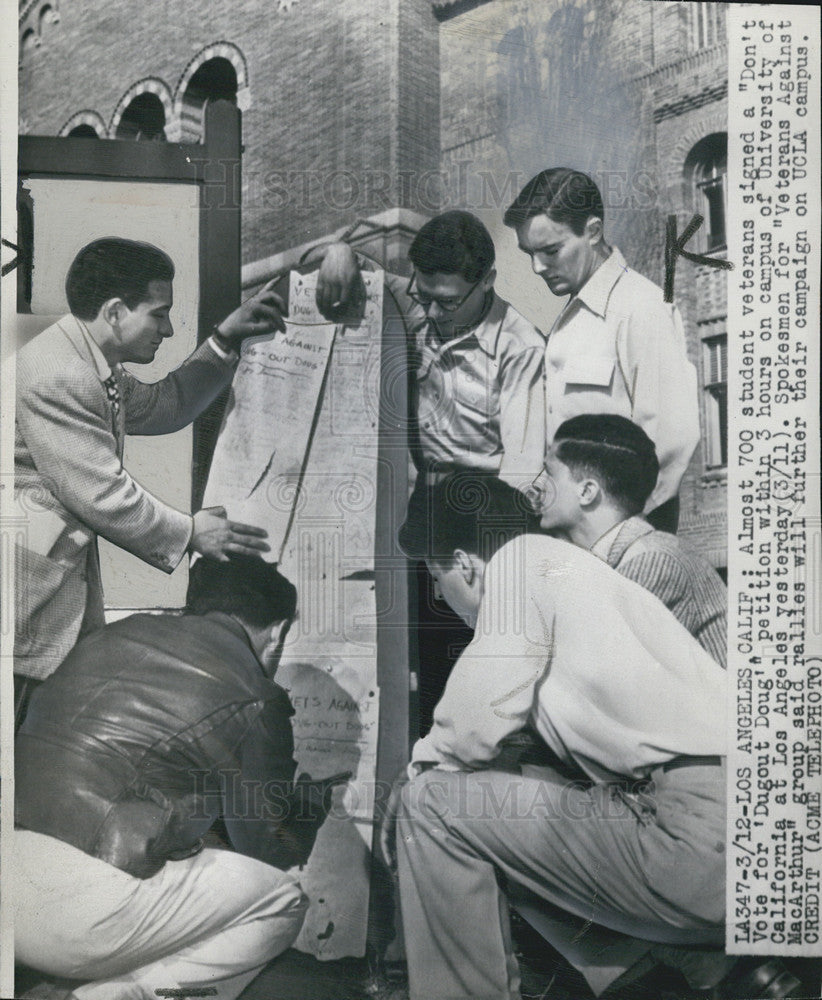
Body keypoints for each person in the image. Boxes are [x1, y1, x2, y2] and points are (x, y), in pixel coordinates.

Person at [389, 472, 737, 1000]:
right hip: (742, 836)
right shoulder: (579, 574)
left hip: (700, 840)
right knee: (507, 787)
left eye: (437, 579)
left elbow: (470, 728)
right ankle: (669, 968)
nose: (441, 595)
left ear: (464, 563)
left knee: (430, 803)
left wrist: (415, 769)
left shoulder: (521, 561)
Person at [14, 555, 347, 1000]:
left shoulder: (109, 636)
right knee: (283, 901)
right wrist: (309, 808)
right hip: (75, 922)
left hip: (9, 882)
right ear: (279, 632)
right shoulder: (255, 693)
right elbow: (267, 849)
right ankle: (116, 996)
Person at [14, 237, 284, 691]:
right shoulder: (58, 372)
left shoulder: (91, 366)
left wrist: (224, 339)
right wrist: (191, 532)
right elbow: (100, 494)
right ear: (116, 312)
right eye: (159, 314)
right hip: (23, 603)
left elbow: (166, 405)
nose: (168, 330)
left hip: (46, 593)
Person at [315, 211, 546, 730]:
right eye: (425, 297)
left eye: (448, 301)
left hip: (481, 518)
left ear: (487, 281)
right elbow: (340, 265)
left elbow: (522, 473)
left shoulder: (520, 347)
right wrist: (337, 250)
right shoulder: (420, 300)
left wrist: (487, 569)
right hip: (417, 509)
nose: (434, 313)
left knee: (466, 671)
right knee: (403, 664)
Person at [503, 168, 701, 533]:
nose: (537, 267)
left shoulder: (641, 308)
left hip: (625, 539)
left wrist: (625, 532)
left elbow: (672, 440)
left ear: (593, 231)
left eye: (550, 250)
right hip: (576, 538)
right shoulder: (572, 318)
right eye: (528, 253)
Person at [533, 413, 727, 667]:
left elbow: (593, 678)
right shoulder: (620, 560)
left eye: (549, 473)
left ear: (587, 492)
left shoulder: (653, 561)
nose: (537, 486)